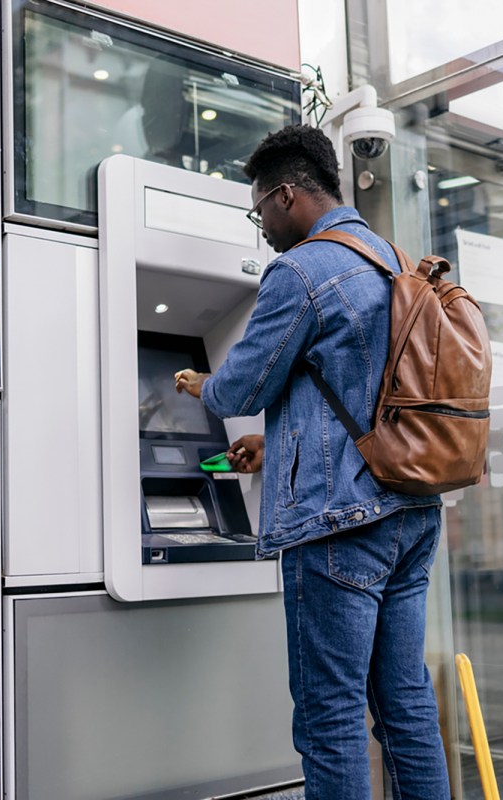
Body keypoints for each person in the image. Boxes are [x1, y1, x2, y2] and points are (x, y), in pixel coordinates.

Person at [173, 124, 450, 800]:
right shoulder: (391, 260)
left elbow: (240, 388)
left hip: (339, 529)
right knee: (404, 705)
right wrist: (277, 444)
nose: (261, 224)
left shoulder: (300, 270)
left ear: (287, 195)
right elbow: (363, 390)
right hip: (411, 511)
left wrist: (196, 385)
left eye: (259, 208)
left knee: (330, 717)